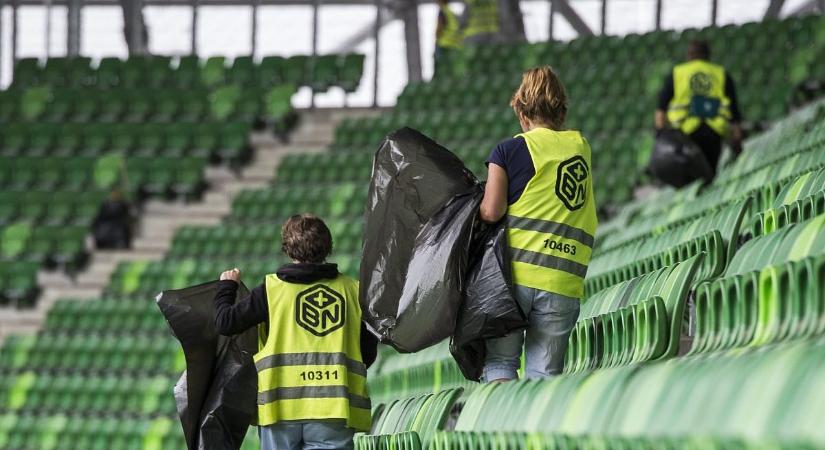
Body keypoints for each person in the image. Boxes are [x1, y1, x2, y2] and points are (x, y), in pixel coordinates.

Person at [213, 214, 378, 450]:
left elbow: (225, 323)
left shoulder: (271, 291)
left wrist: (227, 286)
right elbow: (367, 354)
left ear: (287, 249)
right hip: (333, 408)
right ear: (329, 247)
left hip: (280, 408)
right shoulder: (353, 292)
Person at [478, 66, 598, 381]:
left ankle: (500, 429)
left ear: (521, 110)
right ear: (561, 110)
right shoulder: (580, 148)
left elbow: (491, 211)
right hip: (561, 280)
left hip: (512, 279)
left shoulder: (508, 150)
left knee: (501, 364)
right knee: (544, 374)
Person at [655, 40, 744, 179]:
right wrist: (737, 140)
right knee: (710, 175)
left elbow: (661, 110)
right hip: (714, 132)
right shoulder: (721, 74)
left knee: (691, 175)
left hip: (686, 133)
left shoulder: (677, 73)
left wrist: (660, 134)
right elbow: (734, 113)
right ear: (708, 56)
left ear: (689, 55)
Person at [434, 0, 463, 76]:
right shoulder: (451, 13)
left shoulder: (442, 12)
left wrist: (437, 36)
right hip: (454, 45)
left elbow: (439, 29)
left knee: (440, 69)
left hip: (444, 45)